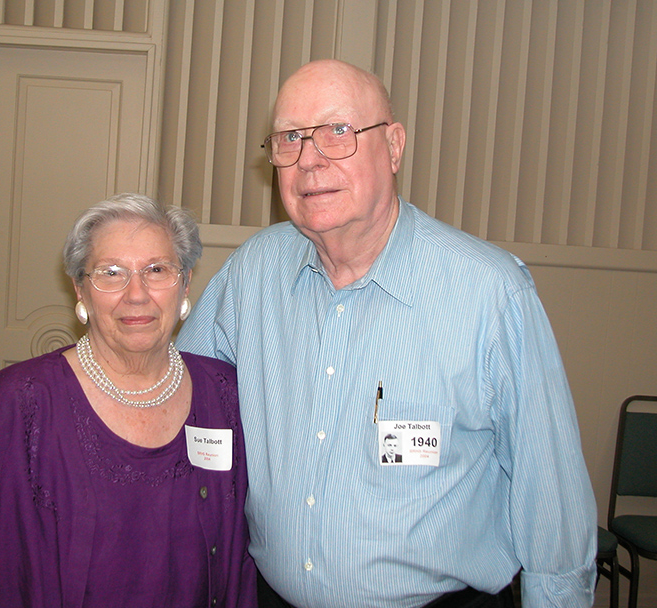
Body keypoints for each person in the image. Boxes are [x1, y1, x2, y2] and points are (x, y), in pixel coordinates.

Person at [177, 59, 596, 608]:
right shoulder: (251, 275)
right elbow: (175, 402)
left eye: (338, 132)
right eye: (290, 138)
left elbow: (552, 501)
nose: (309, 159)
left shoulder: (490, 294)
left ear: (394, 147)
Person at [0, 193, 257, 607]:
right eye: (111, 272)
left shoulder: (229, 396)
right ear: (80, 289)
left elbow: (241, 569)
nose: (136, 294)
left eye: (157, 269)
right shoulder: (5, 408)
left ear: (186, 283)